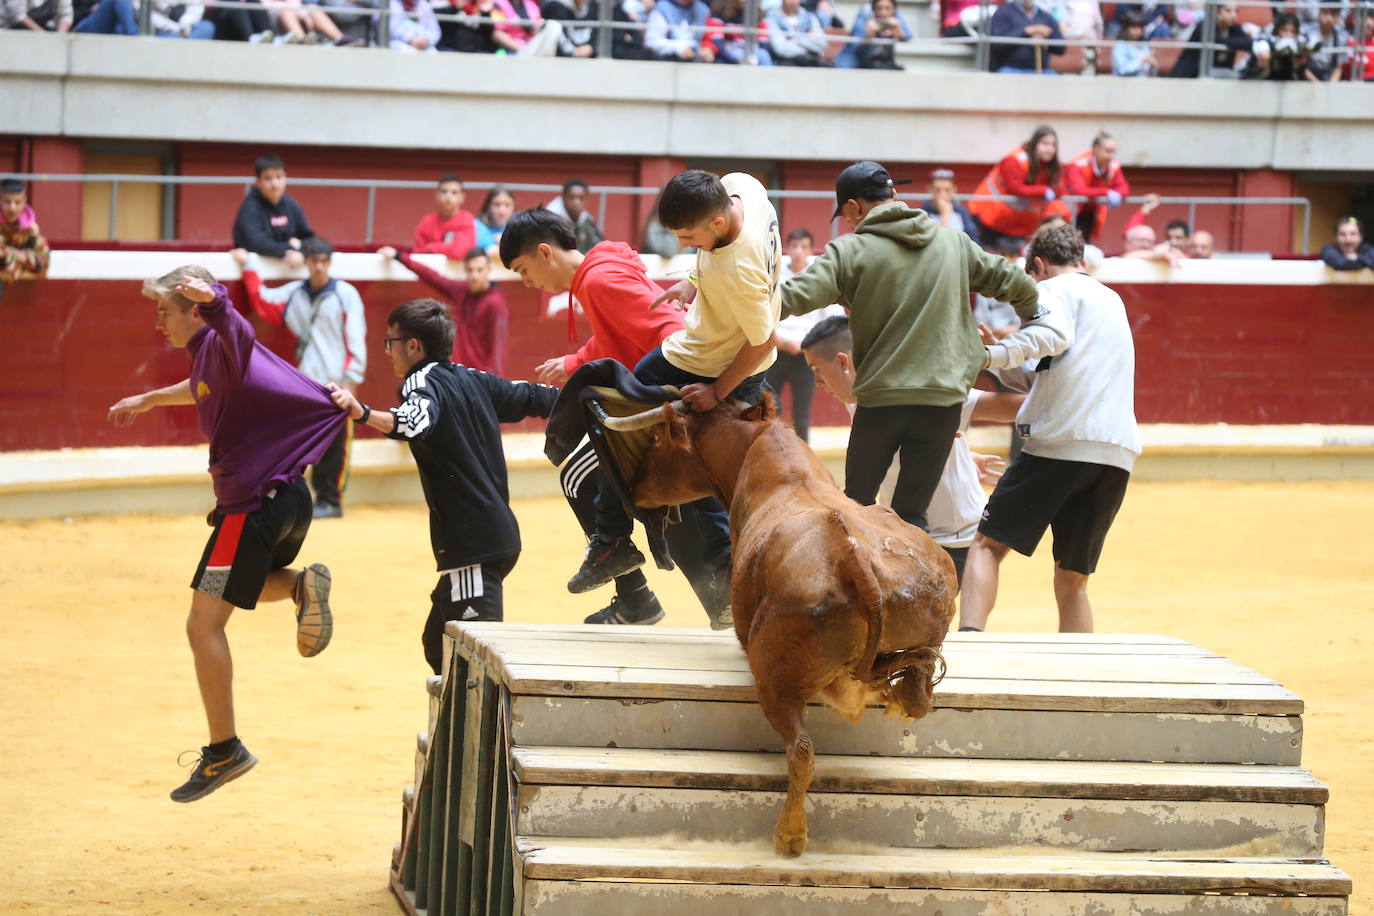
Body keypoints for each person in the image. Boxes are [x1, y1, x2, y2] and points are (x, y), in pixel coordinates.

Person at [106, 266, 346, 803]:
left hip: (250, 510)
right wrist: (147, 399)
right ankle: (299, 585)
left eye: (165, 311)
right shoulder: (212, 358)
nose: (158, 322)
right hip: (283, 501)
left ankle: (223, 750)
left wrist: (214, 297)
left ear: (195, 310)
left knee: (202, 623)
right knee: (242, 585)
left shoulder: (224, 337)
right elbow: (200, 388)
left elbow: (237, 326)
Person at [562, 169, 782, 619]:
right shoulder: (745, 188)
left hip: (708, 364)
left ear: (717, 224)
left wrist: (717, 390)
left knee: (615, 419)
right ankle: (712, 569)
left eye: (690, 237)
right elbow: (720, 259)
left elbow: (764, 340)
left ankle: (611, 541)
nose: (686, 245)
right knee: (693, 456)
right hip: (722, 360)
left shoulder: (737, 266)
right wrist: (696, 281)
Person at [781, 160, 1040, 532]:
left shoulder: (849, 251)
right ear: (894, 196)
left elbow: (791, 298)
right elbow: (1021, 287)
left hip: (883, 400)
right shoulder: (955, 243)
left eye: (848, 215)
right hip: (942, 401)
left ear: (854, 208)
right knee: (912, 519)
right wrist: (1037, 320)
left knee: (856, 508)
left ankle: (860, 588)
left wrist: (716, 293)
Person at [329, 299, 557, 673]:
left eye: (390, 342)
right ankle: (451, 732)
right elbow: (537, 397)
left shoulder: (420, 383)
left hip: (473, 547)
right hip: (491, 538)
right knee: (437, 643)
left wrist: (363, 414)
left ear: (413, 345)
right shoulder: (473, 379)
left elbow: (414, 420)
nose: (388, 352)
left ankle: (488, 732)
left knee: (475, 665)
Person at [503, 207, 703, 626]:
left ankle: (628, 581)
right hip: (674, 401)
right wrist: (577, 360)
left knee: (578, 473)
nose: (526, 283)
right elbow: (621, 333)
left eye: (524, 270)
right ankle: (638, 591)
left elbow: (668, 329)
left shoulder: (598, 280)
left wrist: (663, 399)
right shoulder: (600, 271)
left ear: (545, 252)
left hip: (669, 407)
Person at [960, 223, 1140, 633]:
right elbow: (1049, 373)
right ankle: (1080, 678)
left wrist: (988, 356)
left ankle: (970, 645)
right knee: (1072, 580)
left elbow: (1049, 339)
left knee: (986, 547)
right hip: (1115, 454)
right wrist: (1005, 361)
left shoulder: (1053, 292)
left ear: (1038, 265)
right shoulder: (1112, 299)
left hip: (1060, 443)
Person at [801, 314, 1023, 584]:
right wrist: (959, 452)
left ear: (842, 361)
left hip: (954, 541)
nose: (818, 384)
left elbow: (1020, 407)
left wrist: (998, 361)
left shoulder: (923, 390)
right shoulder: (858, 402)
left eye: (817, 371)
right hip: (908, 539)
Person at [234, 237, 368, 519]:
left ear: (329, 263)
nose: (318, 267)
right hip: (306, 382)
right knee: (300, 442)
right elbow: (262, 301)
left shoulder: (346, 294)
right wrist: (250, 264)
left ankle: (330, 501)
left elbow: (355, 337)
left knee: (335, 444)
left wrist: (351, 379)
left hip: (337, 382)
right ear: (306, 262)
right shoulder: (294, 293)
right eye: (314, 261)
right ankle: (298, 501)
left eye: (323, 262)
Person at [380, 244, 509, 373]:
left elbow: (497, 350)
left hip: (479, 378)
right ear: (465, 270)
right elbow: (433, 277)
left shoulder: (495, 303)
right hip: (458, 373)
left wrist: (492, 384)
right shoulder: (462, 291)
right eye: (470, 270)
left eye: (479, 270)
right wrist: (399, 256)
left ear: (488, 270)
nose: (474, 276)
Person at [767, 228, 842, 444]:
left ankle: (804, 459)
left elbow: (830, 319)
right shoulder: (776, 274)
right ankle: (772, 452)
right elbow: (763, 312)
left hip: (806, 356)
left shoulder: (819, 276)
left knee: (802, 414)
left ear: (810, 250)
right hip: (775, 351)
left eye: (804, 246)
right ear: (788, 248)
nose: (798, 251)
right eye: (794, 246)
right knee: (771, 409)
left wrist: (806, 344)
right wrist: (776, 339)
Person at [968, 125, 1069, 249]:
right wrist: (1044, 190)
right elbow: (1015, 188)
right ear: (1034, 143)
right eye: (1045, 144)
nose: (1050, 149)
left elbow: (1058, 189)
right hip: (987, 215)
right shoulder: (1014, 160)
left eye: (1053, 145)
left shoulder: (1050, 166)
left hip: (1016, 224)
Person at [232, 155, 314, 269]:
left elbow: (310, 238)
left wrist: (302, 251)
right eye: (268, 178)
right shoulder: (249, 208)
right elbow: (256, 243)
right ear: (258, 181)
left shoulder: (291, 204)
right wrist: (290, 248)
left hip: (289, 273)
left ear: (285, 177)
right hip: (254, 272)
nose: (274, 184)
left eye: (279, 177)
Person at [1066, 133, 1130, 245]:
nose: (1111, 156)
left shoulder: (1113, 165)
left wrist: (1117, 194)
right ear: (1096, 149)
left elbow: (1124, 188)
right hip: (1070, 212)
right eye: (1108, 151)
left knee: (1083, 245)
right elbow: (1079, 191)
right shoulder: (1078, 163)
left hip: (1090, 213)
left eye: (1113, 152)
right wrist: (1106, 192)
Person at [1169, 3, 1251, 77]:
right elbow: (1215, 40)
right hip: (1189, 76)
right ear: (1217, 11)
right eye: (1228, 11)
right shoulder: (1205, 25)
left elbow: (1247, 43)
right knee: (1231, 75)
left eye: (1236, 11)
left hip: (1215, 76)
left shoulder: (1234, 28)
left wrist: (1231, 42)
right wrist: (1233, 43)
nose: (1234, 15)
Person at [988, 0, 1064, 74]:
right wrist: (1026, 31)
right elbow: (996, 44)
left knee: (1055, 79)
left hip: (1041, 71)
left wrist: (1046, 38)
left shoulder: (1045, 16)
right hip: (1009, 70)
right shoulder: (1003, 12)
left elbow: (1061, 49)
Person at [413, 174, 479, 259]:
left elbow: (458, 251)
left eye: (454, 192)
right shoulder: (427, 221)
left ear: (462, 197)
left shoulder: (466, 219)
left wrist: (431, 247)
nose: (448, 196)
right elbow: (418, 251)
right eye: (444, 191)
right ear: (437, 195)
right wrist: (446, 247)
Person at [1, 179, 50, 287]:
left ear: (24, 202)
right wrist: (23, 257)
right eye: (7, 202)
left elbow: (42, 265)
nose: (12, 208)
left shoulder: (31, 231)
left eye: (17, 202)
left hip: (24, 289)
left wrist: (8, 252)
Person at [835, 0, 912, 69]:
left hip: (882, 64)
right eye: (879, 8)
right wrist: (870, 35)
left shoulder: (896, 16)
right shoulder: (864, 17)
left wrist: (897, 32)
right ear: (873, 10)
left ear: (894, 10)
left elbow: (908, 36)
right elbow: (857, 49)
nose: (883, 13)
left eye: (887, 8)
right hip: (855, 63)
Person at [919, 168, 980, 245]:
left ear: (954, 190)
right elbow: (940, 245)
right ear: (930, 189)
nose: (942, 194)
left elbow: (974, 241)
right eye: (937, 190)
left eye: (947, 190)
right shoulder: (923, 214)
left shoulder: (960, 211)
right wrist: (944, 215)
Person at [546, 179, 604, 253]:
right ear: (563, 197)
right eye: (572, 197)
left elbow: (599, 244)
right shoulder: (551, 218)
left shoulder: (585, 218)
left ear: (586, 199)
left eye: (581, 198)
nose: (576, 202)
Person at [644, 0, 715, 61]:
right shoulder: (662, 7)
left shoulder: (702, 9)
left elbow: (708, 38)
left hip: (696, 62)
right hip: (668, 62)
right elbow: (651, 42)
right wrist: (678, 48)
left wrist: (708, 49)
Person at [766, 0, 830, 66]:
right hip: (786, 63)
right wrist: (810, 46)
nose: (793, 1)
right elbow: (781, 48)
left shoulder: (809, 17)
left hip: (811, 61)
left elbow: (822, 43)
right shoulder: (772, 18)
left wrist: (795, 39)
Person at [1304, 6, 1349, 82]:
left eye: (1333, 15)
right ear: (1319, 14)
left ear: (1338, 17)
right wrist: (1318, 85)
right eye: (1325, 13)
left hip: (1329, 80)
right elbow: (1303, 67)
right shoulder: (1308, 34)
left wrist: (1330, 88)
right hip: (1309, 79)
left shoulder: (1342, 37)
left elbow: (1338, 68)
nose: (1329, 18)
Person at [3, 0, 73, 29]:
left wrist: (59, 38)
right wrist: (42, 36)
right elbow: (18, 15)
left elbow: (66, 15)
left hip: (44, 28)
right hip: (10, 29)